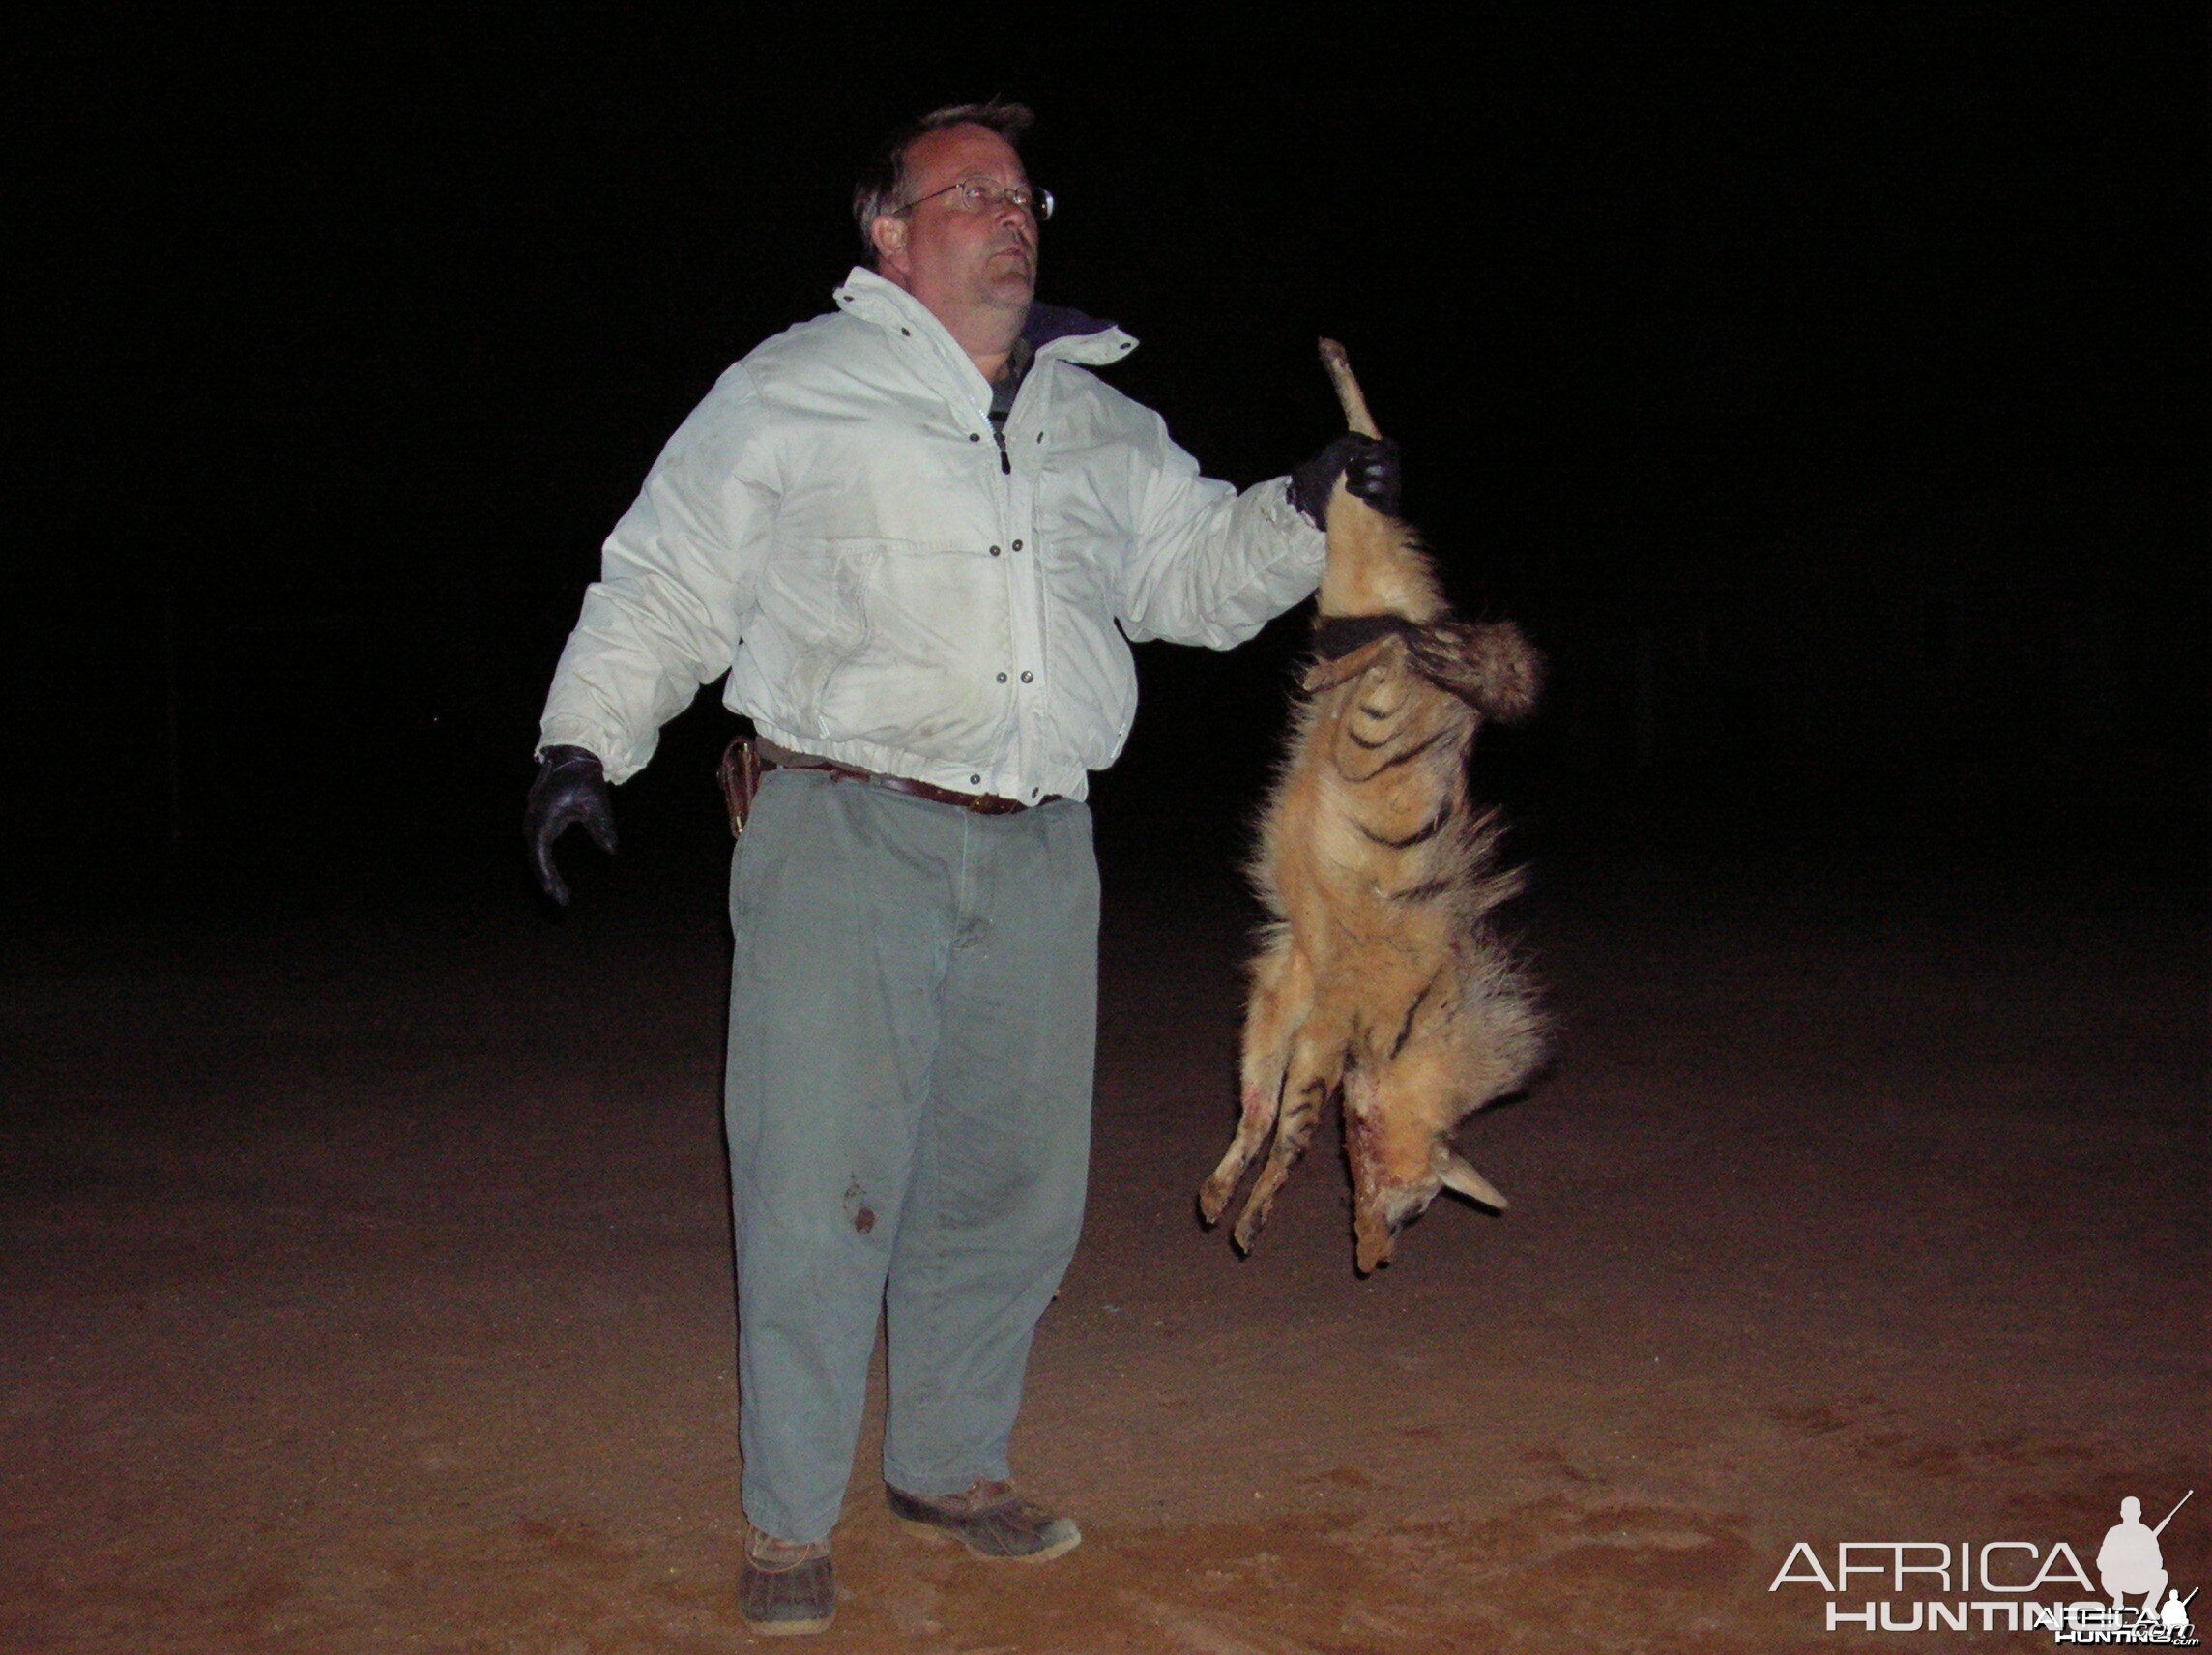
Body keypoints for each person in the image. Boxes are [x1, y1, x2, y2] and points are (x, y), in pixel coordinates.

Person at [524, 101, 1398, 1637]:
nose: (1014, 214)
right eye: (973, 191)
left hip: (1042, 847)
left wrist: (1299, 512)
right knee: (815, 1187)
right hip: (842, 828)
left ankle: (948, 1462)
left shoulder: (1094, 416)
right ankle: (790, 1522)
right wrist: (583, 743)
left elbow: (1189, 579)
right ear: (889, 231)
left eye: (1024, 193)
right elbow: (668, 576)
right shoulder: (795, 389)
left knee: (1010, 1188)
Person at [2096, 1496, 2169, 1618]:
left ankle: (2149, 1606)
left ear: (2139, 1513)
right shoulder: (2114, 1532)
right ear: (2122, 1513)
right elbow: (2101, 1562)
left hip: (2139, 1580)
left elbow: (2158, 1563)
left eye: (2133, 1511)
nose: (2130, 1514)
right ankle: (2118, 1599)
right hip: (2117, 1580)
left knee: (2162, 1575)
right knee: (2106, 1574)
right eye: (2128, 1511)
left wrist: (2142, 1560)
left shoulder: (2147, 1533)